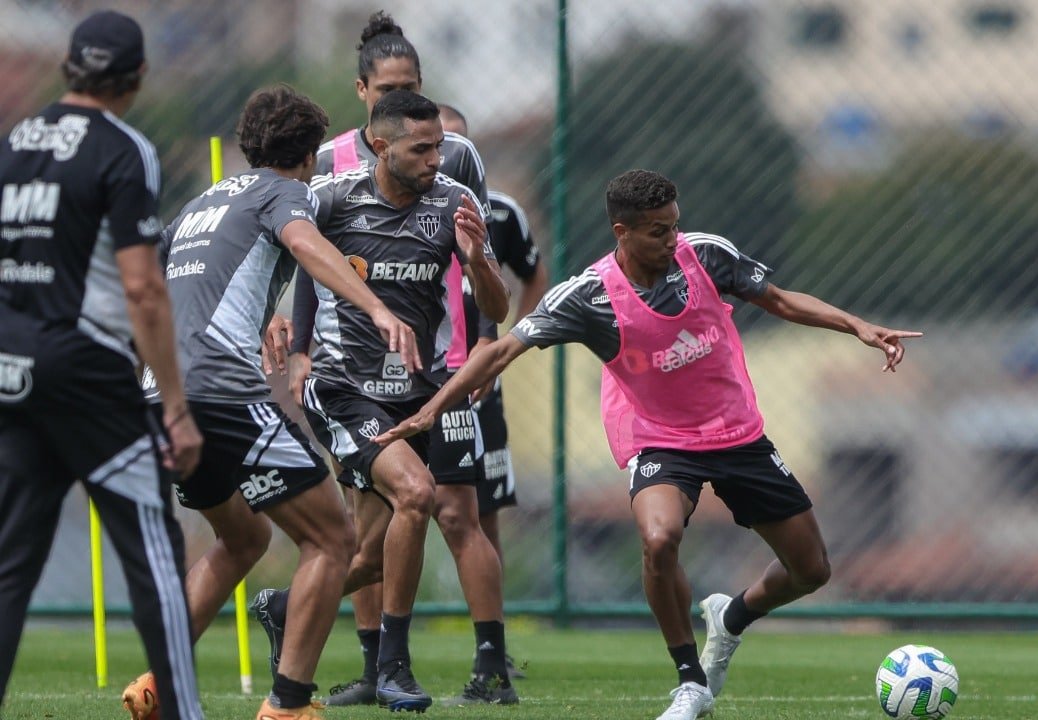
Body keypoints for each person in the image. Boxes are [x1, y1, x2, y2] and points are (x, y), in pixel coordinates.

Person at [373, 170, 923, 720]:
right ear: (623, 232)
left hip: (735, 430)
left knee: (811, 569)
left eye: (674, 226)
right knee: (659, 539)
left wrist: (858, 326)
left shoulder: (705, 255)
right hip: (658, 438)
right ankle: (690, 681)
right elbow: (498, 353)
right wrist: (429, 411)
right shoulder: (587, 296)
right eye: (658, 231)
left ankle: (730, 619)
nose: (672, 240)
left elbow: (779, 300)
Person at [124, 85, 416, 720]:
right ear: (309, 156)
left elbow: (163, 290)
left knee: (242, 538)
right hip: (221, 394)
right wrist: (375, 305)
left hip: (162, 394)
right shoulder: (285, 192)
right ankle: (287, 705)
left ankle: (157, 683)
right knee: (332, 539)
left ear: (247, 144)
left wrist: (262, 320)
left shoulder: (201, 203)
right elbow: (306, 245)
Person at [260, 13, 519, 708]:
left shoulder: (458, 189)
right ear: (374, 130)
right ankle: (391, 666)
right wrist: (288, 333)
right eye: (424, 149)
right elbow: (290, 264)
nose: (439, 157)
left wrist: (474, 261)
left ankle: (286, 610)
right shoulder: (328, 193)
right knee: (416, 496)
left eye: (441, 145)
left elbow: (493, 300)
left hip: (432, 383)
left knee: (375, 545)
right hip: (346, 385)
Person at [0, 11, 204, 720]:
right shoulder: (124, 149)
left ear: (67, 70)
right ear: (138, 78)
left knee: (9, 565)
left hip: (12, 367)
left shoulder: (15, 142)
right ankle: (181, 713)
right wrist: (174, 407)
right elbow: (144, 288)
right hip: (86, 374)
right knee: (152, 550)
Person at [439, 104, 547, 679]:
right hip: (423, 378)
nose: (449, 157)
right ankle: (382, 649)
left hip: (482, 383)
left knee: (487, 510)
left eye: (458, 145)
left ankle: (493, 647)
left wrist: (511, 345)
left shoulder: (501, 213)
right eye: (438, 145)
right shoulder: (402, 210)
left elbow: (533, 276)